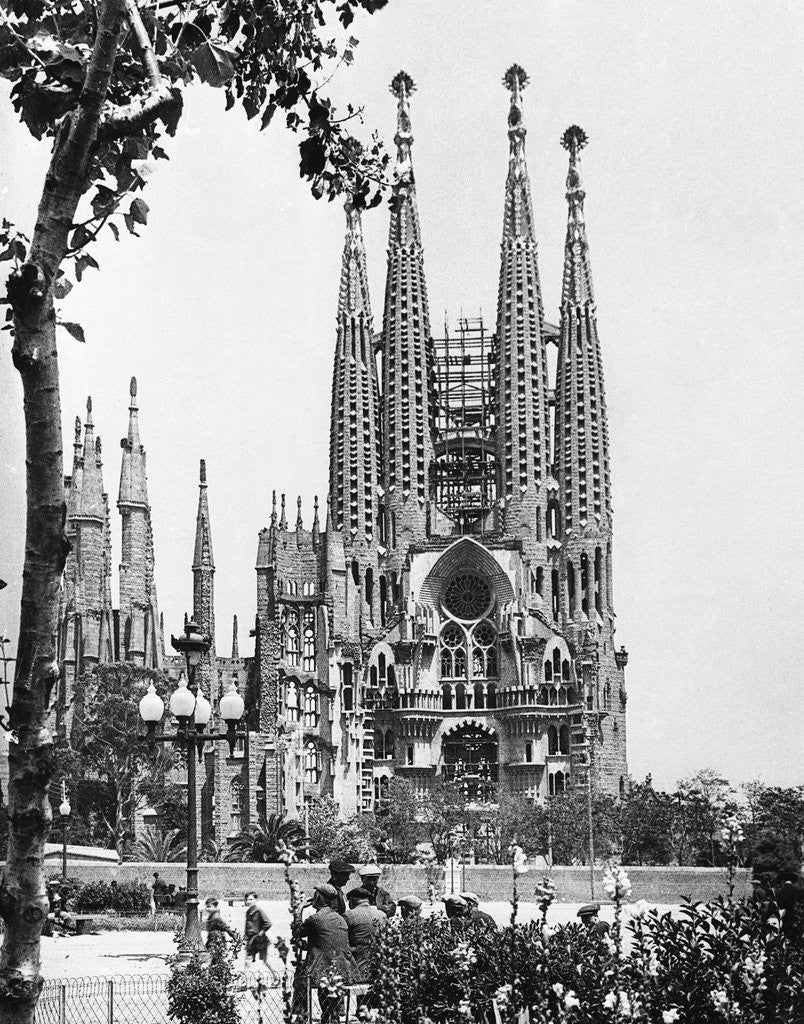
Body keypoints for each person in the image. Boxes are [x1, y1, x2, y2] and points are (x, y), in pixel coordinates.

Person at [294, 884, 358, 1024]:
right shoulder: (340, 918)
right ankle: (330, 1016)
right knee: (330, 1001)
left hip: (323, 969)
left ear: (319, 898)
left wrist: (299, 909)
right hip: (343, 968)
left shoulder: (316, 918)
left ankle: (301, 1014)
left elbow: (298, 932)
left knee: (300, 977)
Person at [345, 887, 387, 982]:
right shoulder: (382, 915)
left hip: (358, 968)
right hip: (379, 968)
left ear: (351, 901)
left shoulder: (349, 915)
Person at [244, 891, 272, 963]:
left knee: (265, 961)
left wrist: (261, 932)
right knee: (248, 961)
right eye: (247, 899)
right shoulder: (248, 912)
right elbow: (247, 926)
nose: (248, 901)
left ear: (256, 900)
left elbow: (268, 923)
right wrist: (246, 937)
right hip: (251, 940)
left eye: (251, 899)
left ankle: (274, 974)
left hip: (260, 940)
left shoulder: (259, 911)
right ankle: (247, 974)